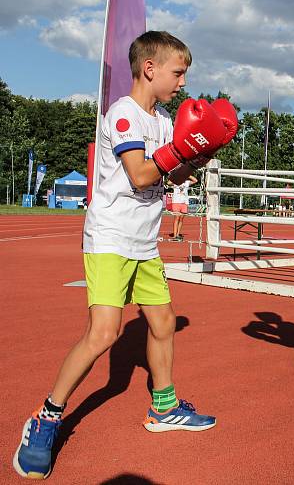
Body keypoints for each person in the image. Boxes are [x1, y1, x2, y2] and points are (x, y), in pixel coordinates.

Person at [13, 31, 237, 480]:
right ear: (149, 68)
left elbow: (169, 177)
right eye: (177, 73)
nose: (182, 82)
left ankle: (164, 407)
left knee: (164, 322)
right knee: (103, 333)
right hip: (112, 238)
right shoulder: (123, 115)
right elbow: (138, 174)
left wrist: (204, 150)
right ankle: (46, 418)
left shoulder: (164, 120)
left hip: (143, 241)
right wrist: (182, 149)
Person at [168, 175, 197, 241]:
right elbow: (168, 183)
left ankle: (178, 234)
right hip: (176, 202)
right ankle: (175, 235)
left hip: (184, 202)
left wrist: (188, 174)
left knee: (181, 219)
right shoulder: (175, 182)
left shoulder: (187, 182)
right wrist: (178, 174)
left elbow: (195, 180)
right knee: (176, 218)